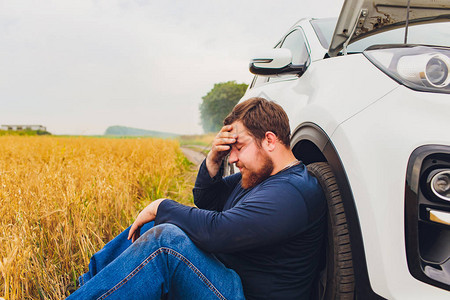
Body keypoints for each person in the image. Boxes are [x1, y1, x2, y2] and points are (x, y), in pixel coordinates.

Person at [68, 97, 326, 300]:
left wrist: (161, 205)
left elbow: (218, 231)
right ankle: (87, 287)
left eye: (239, 147)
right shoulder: (262, 177)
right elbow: (207, 200)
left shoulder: (291, 192)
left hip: (244, 294)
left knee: (166, 241)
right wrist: (214, 157)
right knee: (155, 225)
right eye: (230, 150)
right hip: (229, 280)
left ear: (269, 140)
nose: (233, 159)